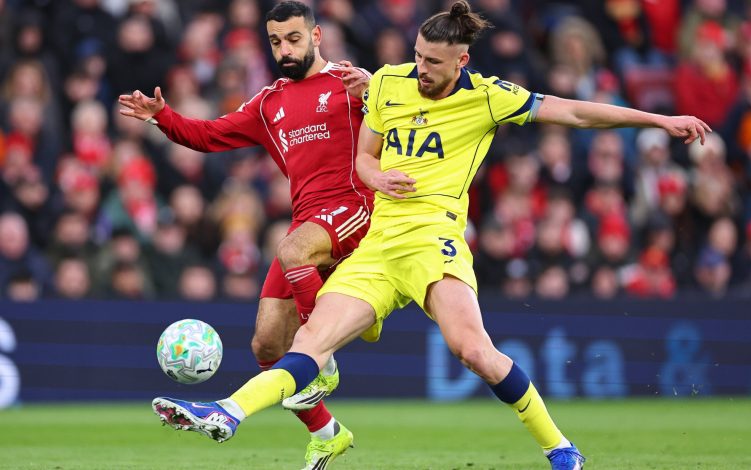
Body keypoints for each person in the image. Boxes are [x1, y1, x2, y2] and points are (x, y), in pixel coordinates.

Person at [150, 2, 711, 468]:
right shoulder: (389, 82)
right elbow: (364, 161)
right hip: (379, 246)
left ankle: (561, 449)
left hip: (434, 243)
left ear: (461, 60)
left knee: (475, 352)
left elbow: (576, 114)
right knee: (306, 347)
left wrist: (658, 121)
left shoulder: (489, 96)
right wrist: (376, 177)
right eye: (417, 56)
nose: (420, 68)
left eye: (433, 62)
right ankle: (227, 412)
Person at [119, 2, 373, 469]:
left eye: (294, 39)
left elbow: (413, 110)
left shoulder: (351, 82)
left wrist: (378, 89)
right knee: (267, 346)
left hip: (356, 209)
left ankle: (322, 358)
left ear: (316, 36)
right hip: (308, 223)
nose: (285, 49)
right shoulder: (268, 102)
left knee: (291, 255)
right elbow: (209, 135)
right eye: (276, 41)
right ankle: (327, 433)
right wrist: (162, 116)